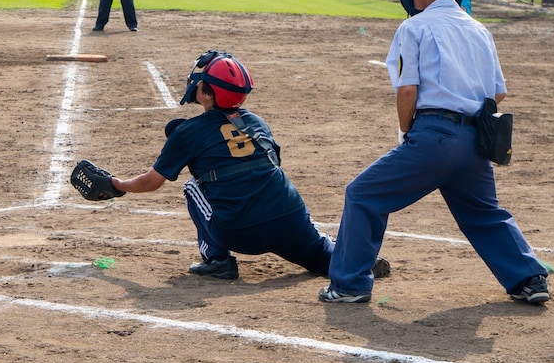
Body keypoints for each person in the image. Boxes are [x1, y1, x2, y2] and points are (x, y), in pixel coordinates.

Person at [319, 0, 550, 305]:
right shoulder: (478, 29)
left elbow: (407, 90)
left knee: (362, 195)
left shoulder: (414, 28)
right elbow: (497, 93)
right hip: (475, 141)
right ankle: (529, 279)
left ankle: (348, 284)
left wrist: (407, 132)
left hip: (434, 136)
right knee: (484, 213)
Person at [105, 50, 390, 281]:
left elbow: (152, 182)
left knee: (193, 186)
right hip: (289, 217)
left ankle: (217, 260)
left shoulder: (188, 131)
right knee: (316, 251)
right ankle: (354, 263)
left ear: (207, 93)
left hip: (239, 232)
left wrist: (117, 184)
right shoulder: (257, 122)